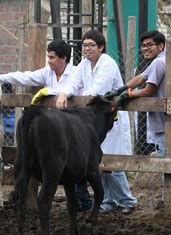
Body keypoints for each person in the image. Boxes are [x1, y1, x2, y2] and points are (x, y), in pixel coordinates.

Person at [0, 40, 92, 211]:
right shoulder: (48, 73)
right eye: (48, 57)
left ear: (63, 58)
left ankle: (83, 202)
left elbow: (70, 90)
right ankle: (77, 203)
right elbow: (26, 77)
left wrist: (48, 92)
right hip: (56, 129)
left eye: (52, 57)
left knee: (77, 162)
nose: (49, 61)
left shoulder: (76, 73)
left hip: (74, 127)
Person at [56, 29, 137, 214]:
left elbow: (96, 90)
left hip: (109, 120)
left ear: (101, 47)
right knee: (100, 164)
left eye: (92, 45)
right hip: (94, 122)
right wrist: (63, 93)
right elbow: (73, 83)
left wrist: (76, 100)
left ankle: (128, 201)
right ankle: (108, 201)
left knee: (113, 164)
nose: (87, 49)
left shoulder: (108, 64)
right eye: (85, 45)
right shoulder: (84, 64)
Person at [111, 30, 171, 206]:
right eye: (144, 46)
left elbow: (149, 89)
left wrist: (129, 94)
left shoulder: (159, 62)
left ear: (161, 46)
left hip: (168, 123)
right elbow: (141, 77)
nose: (145, 49)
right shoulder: (161, 61)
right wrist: (121, 89)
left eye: (150, 45)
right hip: (170, 121)